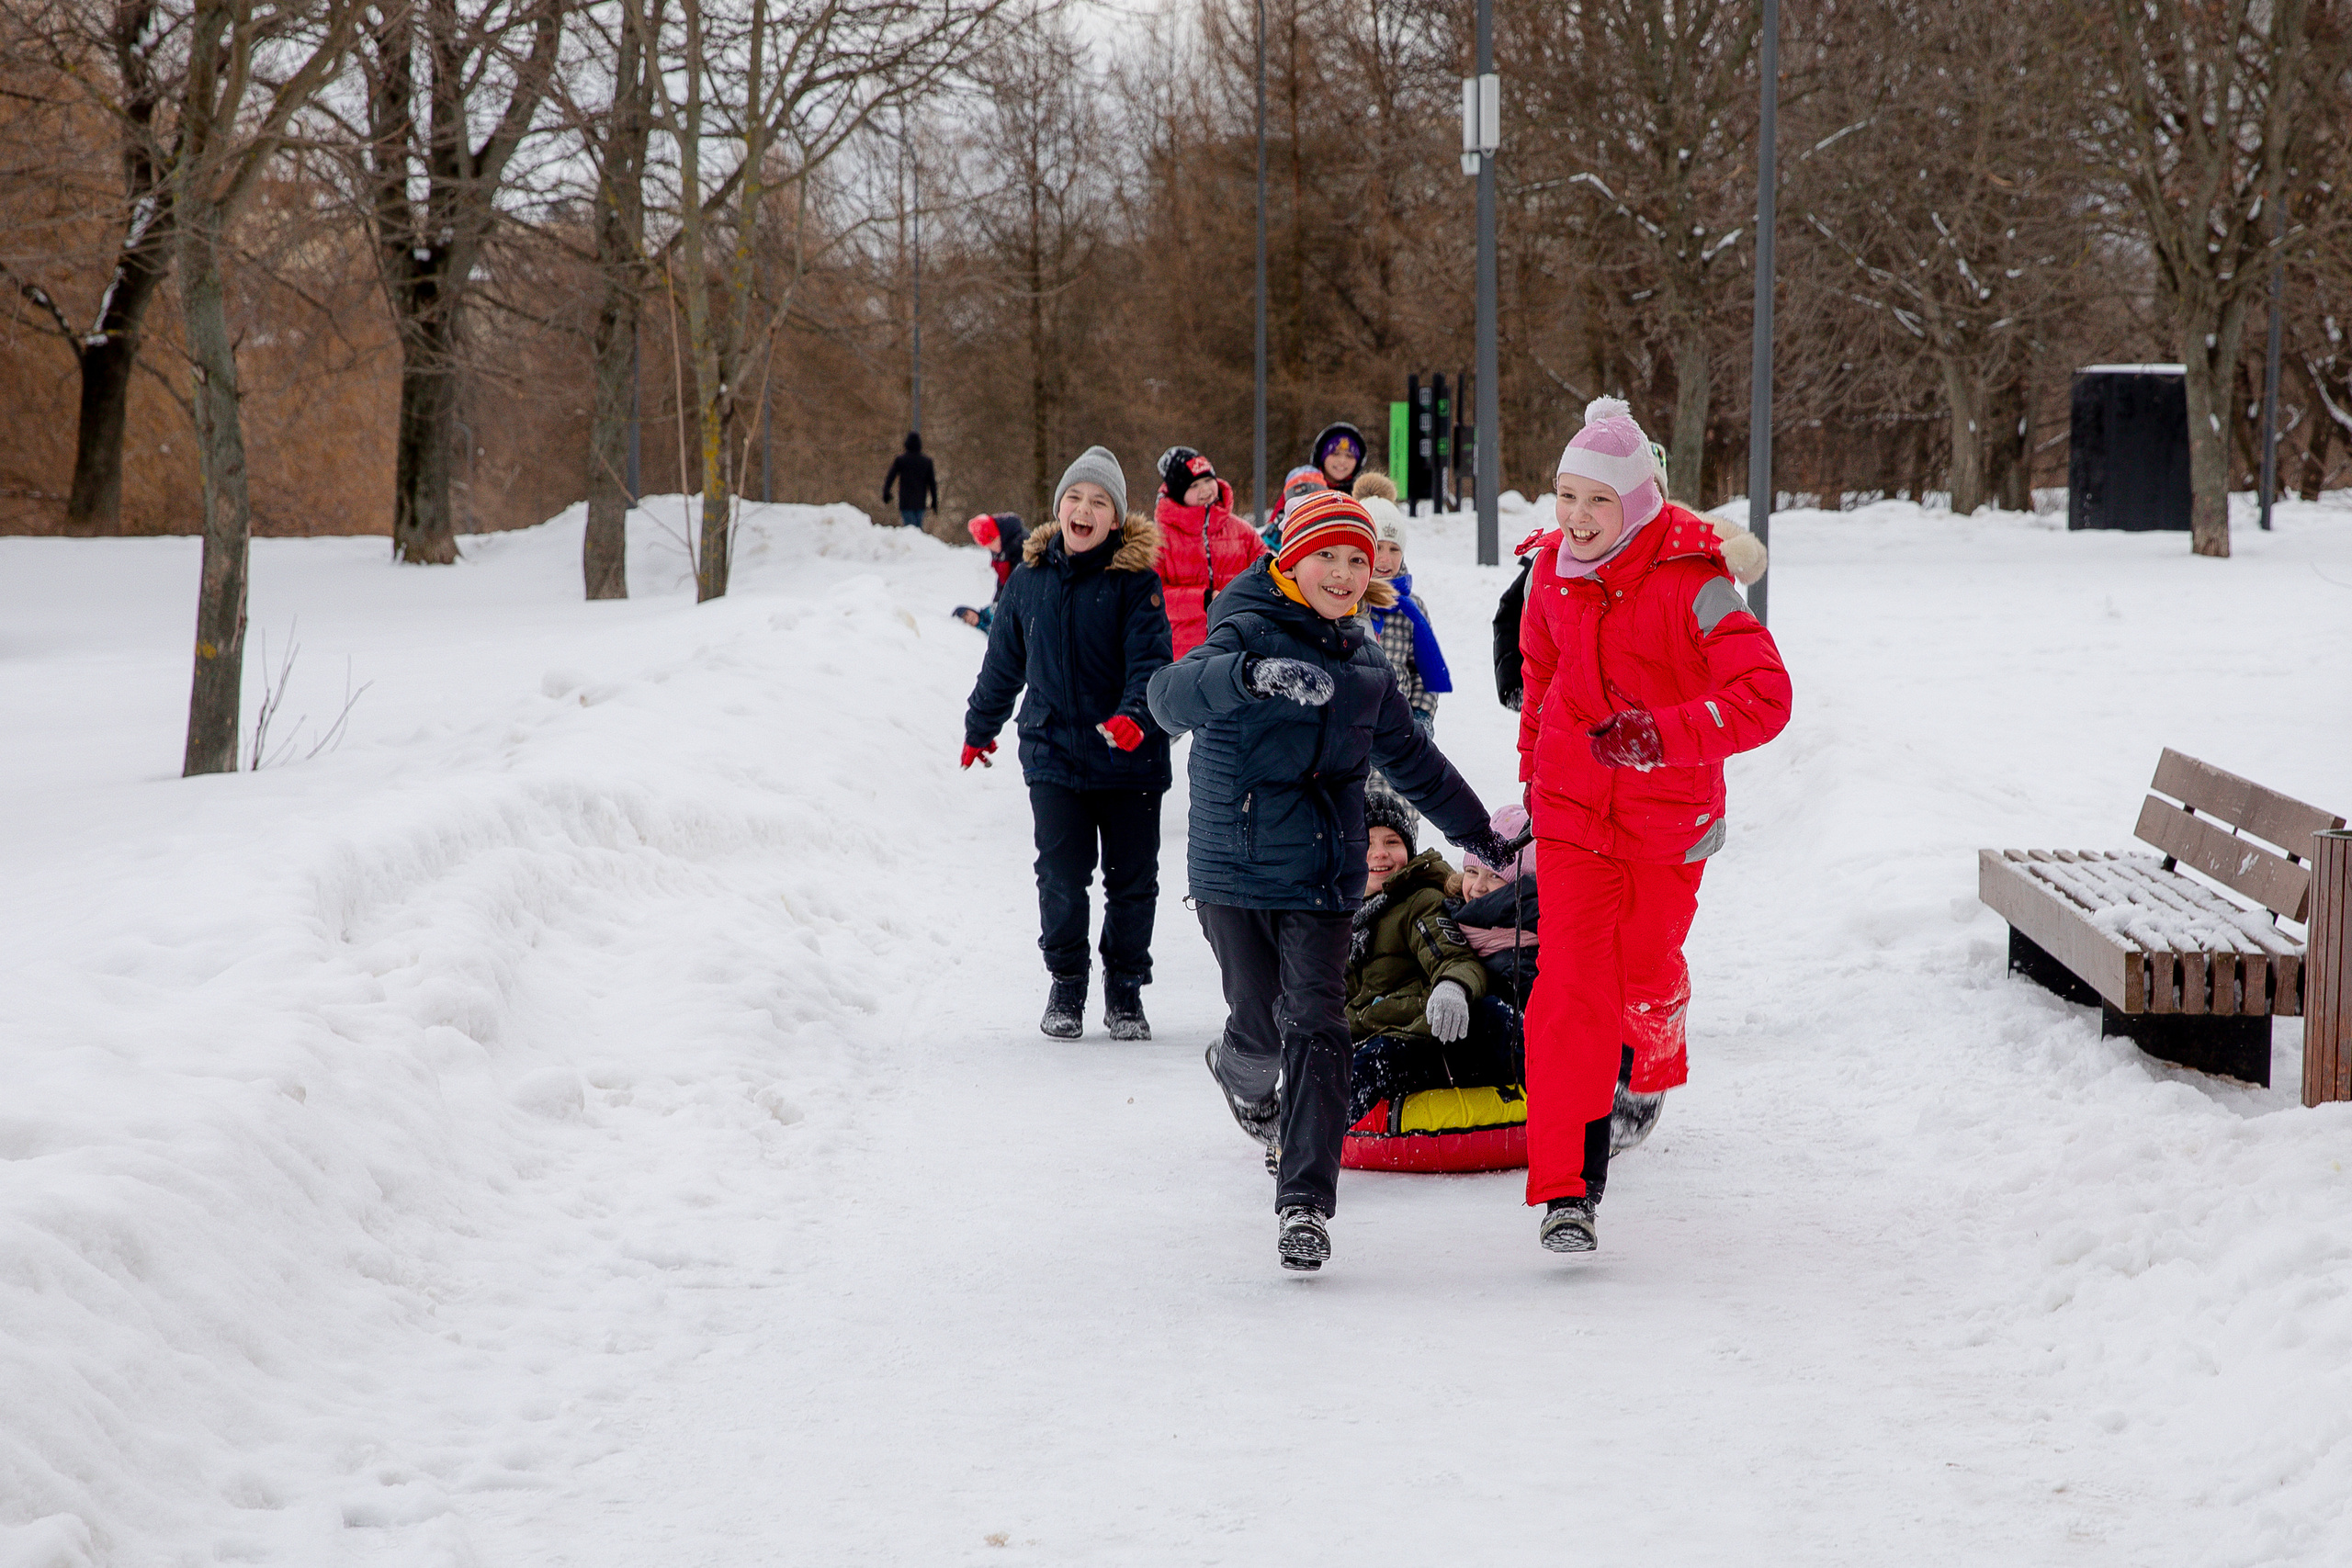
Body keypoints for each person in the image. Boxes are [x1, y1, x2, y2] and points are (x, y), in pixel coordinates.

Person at [1147, 489, 1520, 1272]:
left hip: (1323, 874)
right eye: (1329, 556)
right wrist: (1251, 676)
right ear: (1289, 559)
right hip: (1235, 870)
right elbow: (1167, 700)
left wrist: (1478, 830)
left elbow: (1415, 761)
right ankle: (1240, 1069)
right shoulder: (1240, 625)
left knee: (1317, 1024)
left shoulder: (1362, 666)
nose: (1346, 572)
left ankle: (1305, 1202)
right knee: (1257, 1025)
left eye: (1358, 558)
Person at [1516, 396, 1792, 1257]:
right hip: (1571, 813)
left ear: (1636, 502)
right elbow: (1540, 672)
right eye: (1566, 495)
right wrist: (1531, 786)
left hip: (1664, 821)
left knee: (1638, 975)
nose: (1577, 517)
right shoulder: (1549, 573)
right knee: (1568, 990)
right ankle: (1570, 1189)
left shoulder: (1696, 583)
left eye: (1597, 499)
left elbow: (1766, 697)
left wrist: (1663, 736)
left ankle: (1656, 1026)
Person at [963, 446, 1173, 1042]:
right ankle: (1067, 984)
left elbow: (1152, 664)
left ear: (1115, 518)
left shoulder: (1136, 583)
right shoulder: (1029, 581)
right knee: (1060, 874)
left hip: (1130, 758)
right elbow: (1003, 663)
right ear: (1060, 508)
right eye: (1075, 497)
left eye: (1099, 501)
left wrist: (1137, 716)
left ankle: (1125, 991)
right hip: (1053, 753)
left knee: (1132, 881)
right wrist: (980, 728)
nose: (1084, 508)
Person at [1494, 447, 1767, 710]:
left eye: (1655, 490)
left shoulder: (1686, 559)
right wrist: (1518, 688)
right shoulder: (1571, 550)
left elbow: (1755, 682)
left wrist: (1678, 727)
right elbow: (1513, 612)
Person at [1341, 800, 1522, 1130]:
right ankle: (1291, 1121)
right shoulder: (1339, 916)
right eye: (1365, 843)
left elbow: (1452, 955)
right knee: (1320, 1057)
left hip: (1420, 1037)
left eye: (1392, 842)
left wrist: (1451, 986)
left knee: (1374, 1062)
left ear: (1408, 848)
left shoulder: (1419, 902)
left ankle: (1306, 1138)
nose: (1379, 853)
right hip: (1367, 1032)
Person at [1152, 447, 1265, 658]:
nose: (1205, 490)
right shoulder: (1159, 539)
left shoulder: (1242, 532)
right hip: (1182, 651)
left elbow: (1268, 572)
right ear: (1178, 494)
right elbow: (1153, 595)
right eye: (1194, 485)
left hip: (1238, 643)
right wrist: (1204, 599)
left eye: (1207, 480)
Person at [967, 512, 1030, 603]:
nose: (991, 549)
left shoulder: (1022, 544)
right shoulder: (1001, 548)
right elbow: (1003, 582)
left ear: (994, 537)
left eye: (990, 545)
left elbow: (1018, 583)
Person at [882, 432, 938, 529]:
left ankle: (911, 543)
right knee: (918, 528)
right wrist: (934, 501)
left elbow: (890, 477)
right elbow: (932, 483)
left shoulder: (901, 460)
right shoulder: (926, 461)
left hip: (905, 501)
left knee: (910, 529)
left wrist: (886, 492)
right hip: (920, 501)